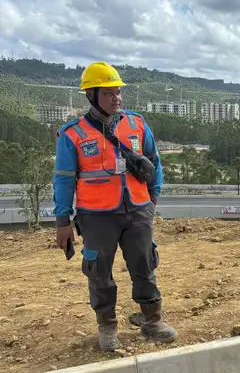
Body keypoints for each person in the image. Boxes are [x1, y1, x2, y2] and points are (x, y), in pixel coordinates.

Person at [52, 61, 177, 352]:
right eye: (108, 93)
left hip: (137, 210)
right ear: (91, 95)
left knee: (144, 264)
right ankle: (107, 326)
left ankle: (152, 320)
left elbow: (154, 163)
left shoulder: (136, 123)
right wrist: (62, 221)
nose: (116, 98)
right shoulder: (73, 134)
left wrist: (152, 198)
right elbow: (63, 180)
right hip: (96, 216)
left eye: (118, 92)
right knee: (99, 271)